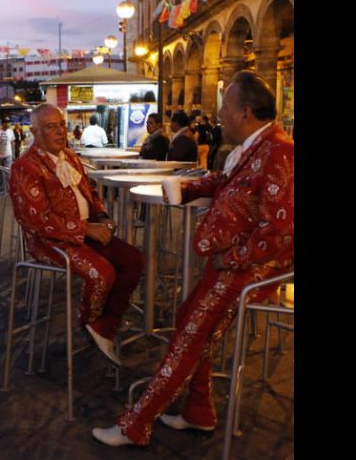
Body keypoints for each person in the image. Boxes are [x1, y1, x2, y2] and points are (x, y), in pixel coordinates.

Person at [92, 70, 294, 447]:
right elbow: (224, 183)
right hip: (229, 264)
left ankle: (136, 424)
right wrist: (185, 189)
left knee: (188, 336)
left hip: (245, 270)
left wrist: (234, 257)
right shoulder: (256, 147)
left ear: (245, 112)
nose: (218, 115)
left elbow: (280, 230)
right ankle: (198, 412)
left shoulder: (280, 151)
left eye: (225, 107)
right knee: (188, 320)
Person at [9, 103, 144, 367]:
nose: (60, 132)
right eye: (51, 127)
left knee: (133, 260)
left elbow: (90, 192)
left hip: (86, 231)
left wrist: (102, 217)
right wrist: (85, 229)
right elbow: (37, 221)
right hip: (49, 241)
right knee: (102, 272)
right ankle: (91, 324)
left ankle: (105, 325)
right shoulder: (25, 167)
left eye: (62, 125)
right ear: (35, 132)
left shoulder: (70, 157)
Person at [0, 117, 15, 192]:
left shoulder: (10, 131)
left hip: (8, 154)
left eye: (9, 122)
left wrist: (12, 152)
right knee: (0, 172)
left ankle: (8, 187)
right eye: (6, 122)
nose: (8, 124)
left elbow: (12, 142)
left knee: (7, 171)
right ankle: (2, 187)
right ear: (3, 123)